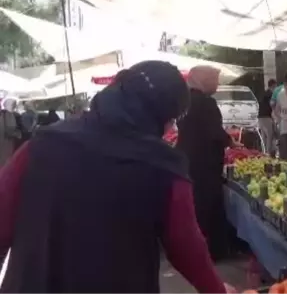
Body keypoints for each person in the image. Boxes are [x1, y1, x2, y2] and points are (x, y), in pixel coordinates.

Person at [0, 61, 234, 294]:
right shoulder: (165, 167)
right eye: (172, 119)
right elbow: (186, 246)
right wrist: (217, 290)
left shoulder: (42, 144)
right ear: (160, 115)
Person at [176, 65, 243, 262]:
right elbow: (214, 132)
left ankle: (197, 250)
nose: (218, 84)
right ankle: (213, 252)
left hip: (189, 158)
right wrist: (230, 141)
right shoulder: (206, 103)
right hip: (205, 161)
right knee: (209, 204)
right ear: (203, 80)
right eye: (215, 79)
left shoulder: (185, 101)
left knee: (197, 205)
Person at [258, 79, 277, 155]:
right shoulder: (270, 94)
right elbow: (272, 105)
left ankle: (264, 152)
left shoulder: (264, 93)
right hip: (266, 117)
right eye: (275, 86)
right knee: (270, 135)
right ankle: (268, 153)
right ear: (273, 86)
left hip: (260, 117)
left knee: (264, 136)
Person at [0, 100, 19, 167]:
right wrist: (17, 134)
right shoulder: (8, 115)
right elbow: (10, 131)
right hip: (4, 148)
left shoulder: (7, 115)